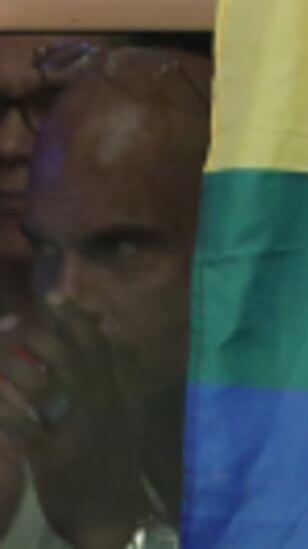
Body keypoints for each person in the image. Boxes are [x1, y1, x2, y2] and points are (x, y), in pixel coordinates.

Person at [0, 46, 208, 549]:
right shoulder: (20, 417)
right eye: (45, 250)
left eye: (121, 248)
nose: (63, 298)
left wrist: (110, 528)